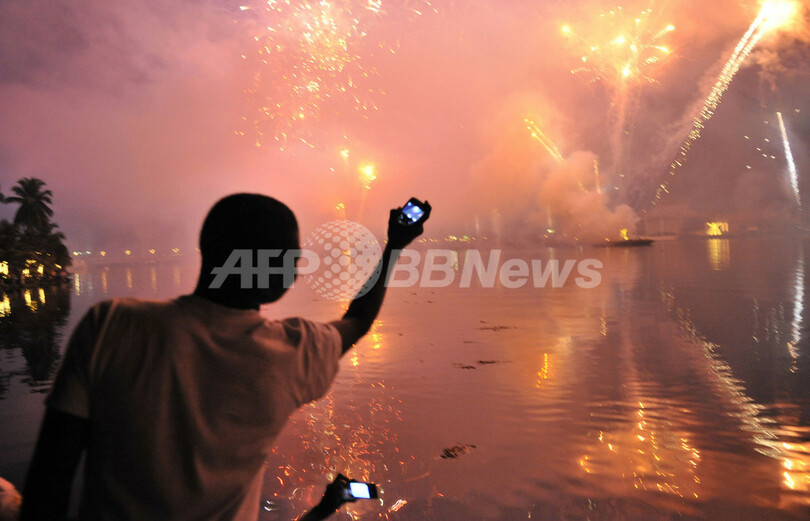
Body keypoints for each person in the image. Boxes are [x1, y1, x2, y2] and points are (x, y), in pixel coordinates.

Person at [20, 193, 430, 521]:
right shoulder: (290, 353)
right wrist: (394, 244)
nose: (298, 263)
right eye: (291, 255)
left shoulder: (109, 324)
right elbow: (358, 320)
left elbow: (48, 485)